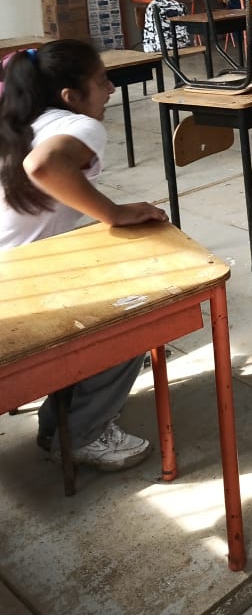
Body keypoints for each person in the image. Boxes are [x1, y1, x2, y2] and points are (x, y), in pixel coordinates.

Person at [0, 42, 169, 470]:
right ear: (70, 96)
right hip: (14, 292)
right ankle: (84, 434)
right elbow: (43, 166)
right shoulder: (80, 126)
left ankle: (58, 421)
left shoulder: (19, 121)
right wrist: (112, 212)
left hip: (14, 273)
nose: (111, 89)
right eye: (101, 80)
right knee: (137, 311)